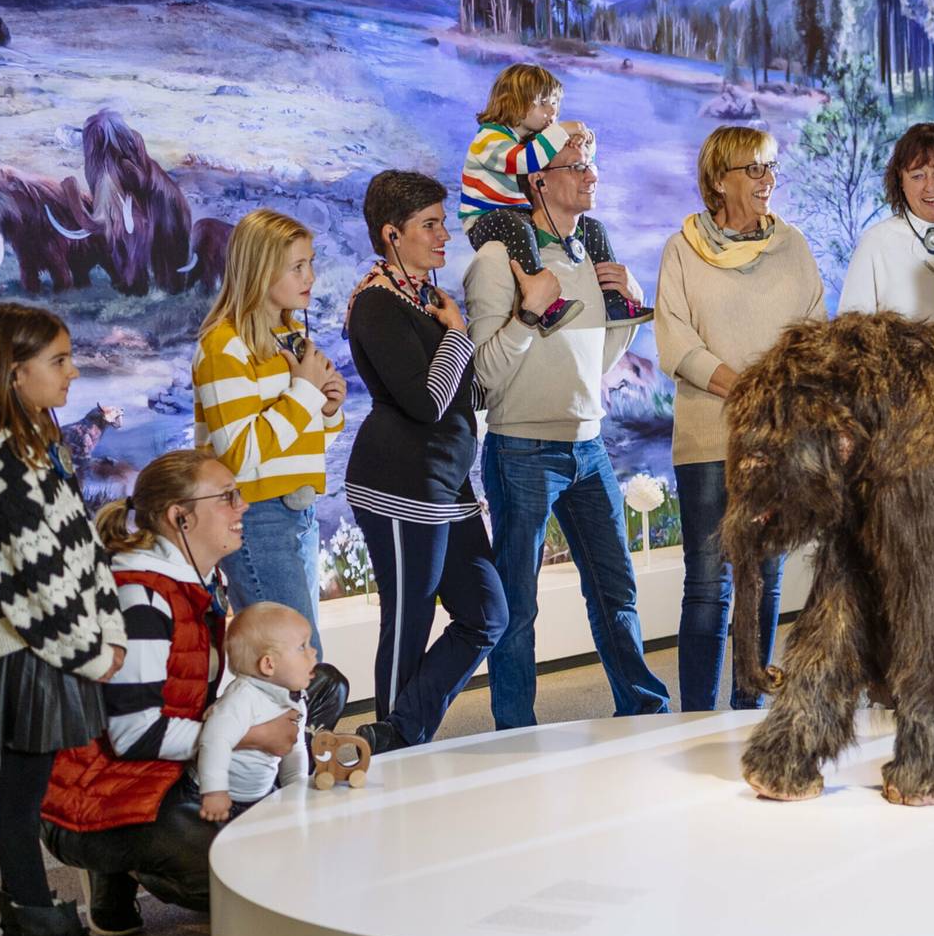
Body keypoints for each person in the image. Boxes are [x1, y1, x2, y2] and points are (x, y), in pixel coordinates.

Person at [40, 449, 348, 933]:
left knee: (319, 684)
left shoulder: (197, 581)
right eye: (227, 497)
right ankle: (117, 864)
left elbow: (189, 693)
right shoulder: (138, 595)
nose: (242, 506)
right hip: (104, 792)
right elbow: (131, 736)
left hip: (164, 767)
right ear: (179, 518)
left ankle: (237, 807)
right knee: (261, 873)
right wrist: (250, 736)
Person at [0, 302, 143, 936]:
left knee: (23, 795)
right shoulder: (2, 459)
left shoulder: (34, 446)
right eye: (58, 360)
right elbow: (37, 581)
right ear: (13, 371)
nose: (73, 370)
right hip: (34, 655)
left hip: (54, 650)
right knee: (22, 798)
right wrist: (97, 651)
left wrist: (105, 633)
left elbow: (78, 552)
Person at [464, 136, 670, 725]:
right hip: (522, 447)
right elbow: (485, 373)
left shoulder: (589, 254)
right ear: (539, 182)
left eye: (592, 164)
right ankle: (514, 731)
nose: (591, 175)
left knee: (616, 592)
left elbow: (597, 362)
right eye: (575, 166)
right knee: (519, 606)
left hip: (589, 446)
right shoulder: (496, 262)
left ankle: (645, 711)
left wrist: (628, 307)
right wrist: (530, 314)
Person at [656, 126, 826, 709]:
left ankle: (748, 704)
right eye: (753, 170)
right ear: (719, 179)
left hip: (780, 441)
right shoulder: (682, 249)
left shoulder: (793, 247)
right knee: (708, 583)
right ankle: (696, 715)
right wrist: (751, 387)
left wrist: (780, 400)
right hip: (709, 441)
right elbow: (676, 342)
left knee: (768, 578)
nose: (766, 181)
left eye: (769, 169)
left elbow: (814, 338)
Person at [345, 170, 507, 751]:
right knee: (408, 623)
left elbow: (465, 395)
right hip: (398, 485)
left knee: (488, 613)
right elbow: (428, 401)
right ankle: (390, 756)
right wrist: (459, 337)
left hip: (447, 485)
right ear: (392, 234)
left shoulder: (427, 299)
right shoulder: (376, 303)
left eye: (443, 222)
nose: (444, 236)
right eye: (429, 225)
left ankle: (396, 732)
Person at [194, 208, 345, 654]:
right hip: (256, 518)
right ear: (259, 271)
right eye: (297, 266)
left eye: (311, 263)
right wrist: (304, 393)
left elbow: (301, 444)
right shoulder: (223, 345)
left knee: (302, 658)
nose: (310, 276)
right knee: (292, 663)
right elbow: (239, 457)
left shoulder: (289, 337)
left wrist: (329, 409)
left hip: (298, 512)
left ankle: (308, 729)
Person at [463, 63, 651, 332]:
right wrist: (563, 131)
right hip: (485, 219)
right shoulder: (489, 140)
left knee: (593, 227)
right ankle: (541, 297)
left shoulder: (528, 140)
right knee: (518, 226)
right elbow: (526, 161)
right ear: (513, 103)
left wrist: (584, 140)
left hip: (516, 216)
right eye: (543, 104)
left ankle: (613, 302)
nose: (552, 113)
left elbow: (569, 155)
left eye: (555, 105)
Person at [195, 603, 316, 823]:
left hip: (261, 794)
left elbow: (294, 749)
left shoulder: (294, 699)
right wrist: (214, 792)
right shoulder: (243, 698)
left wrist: (296, 791)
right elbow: (214, 741)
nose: (313, 651)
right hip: (223, 800)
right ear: (268, 664)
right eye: (302, 647)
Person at [838, 122, 934, 318]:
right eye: (917, 176)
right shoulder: (876, 242)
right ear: (900, 181)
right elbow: (849, 333)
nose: (930, 186)